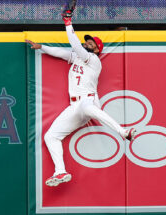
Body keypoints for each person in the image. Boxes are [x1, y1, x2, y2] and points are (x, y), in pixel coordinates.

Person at [25, 9, 136, 187]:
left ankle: (124, 132)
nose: (88, 44)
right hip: (74, 106)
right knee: (51, 136)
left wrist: (68, 23)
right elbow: (61, 53)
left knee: (88, 107)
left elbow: (76, 45)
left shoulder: (93, 60)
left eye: (91, 43)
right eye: (88, 42)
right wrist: (42, 47)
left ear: (97, 49)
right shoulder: (78, 57)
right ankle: (60, 171)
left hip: (87, 100)